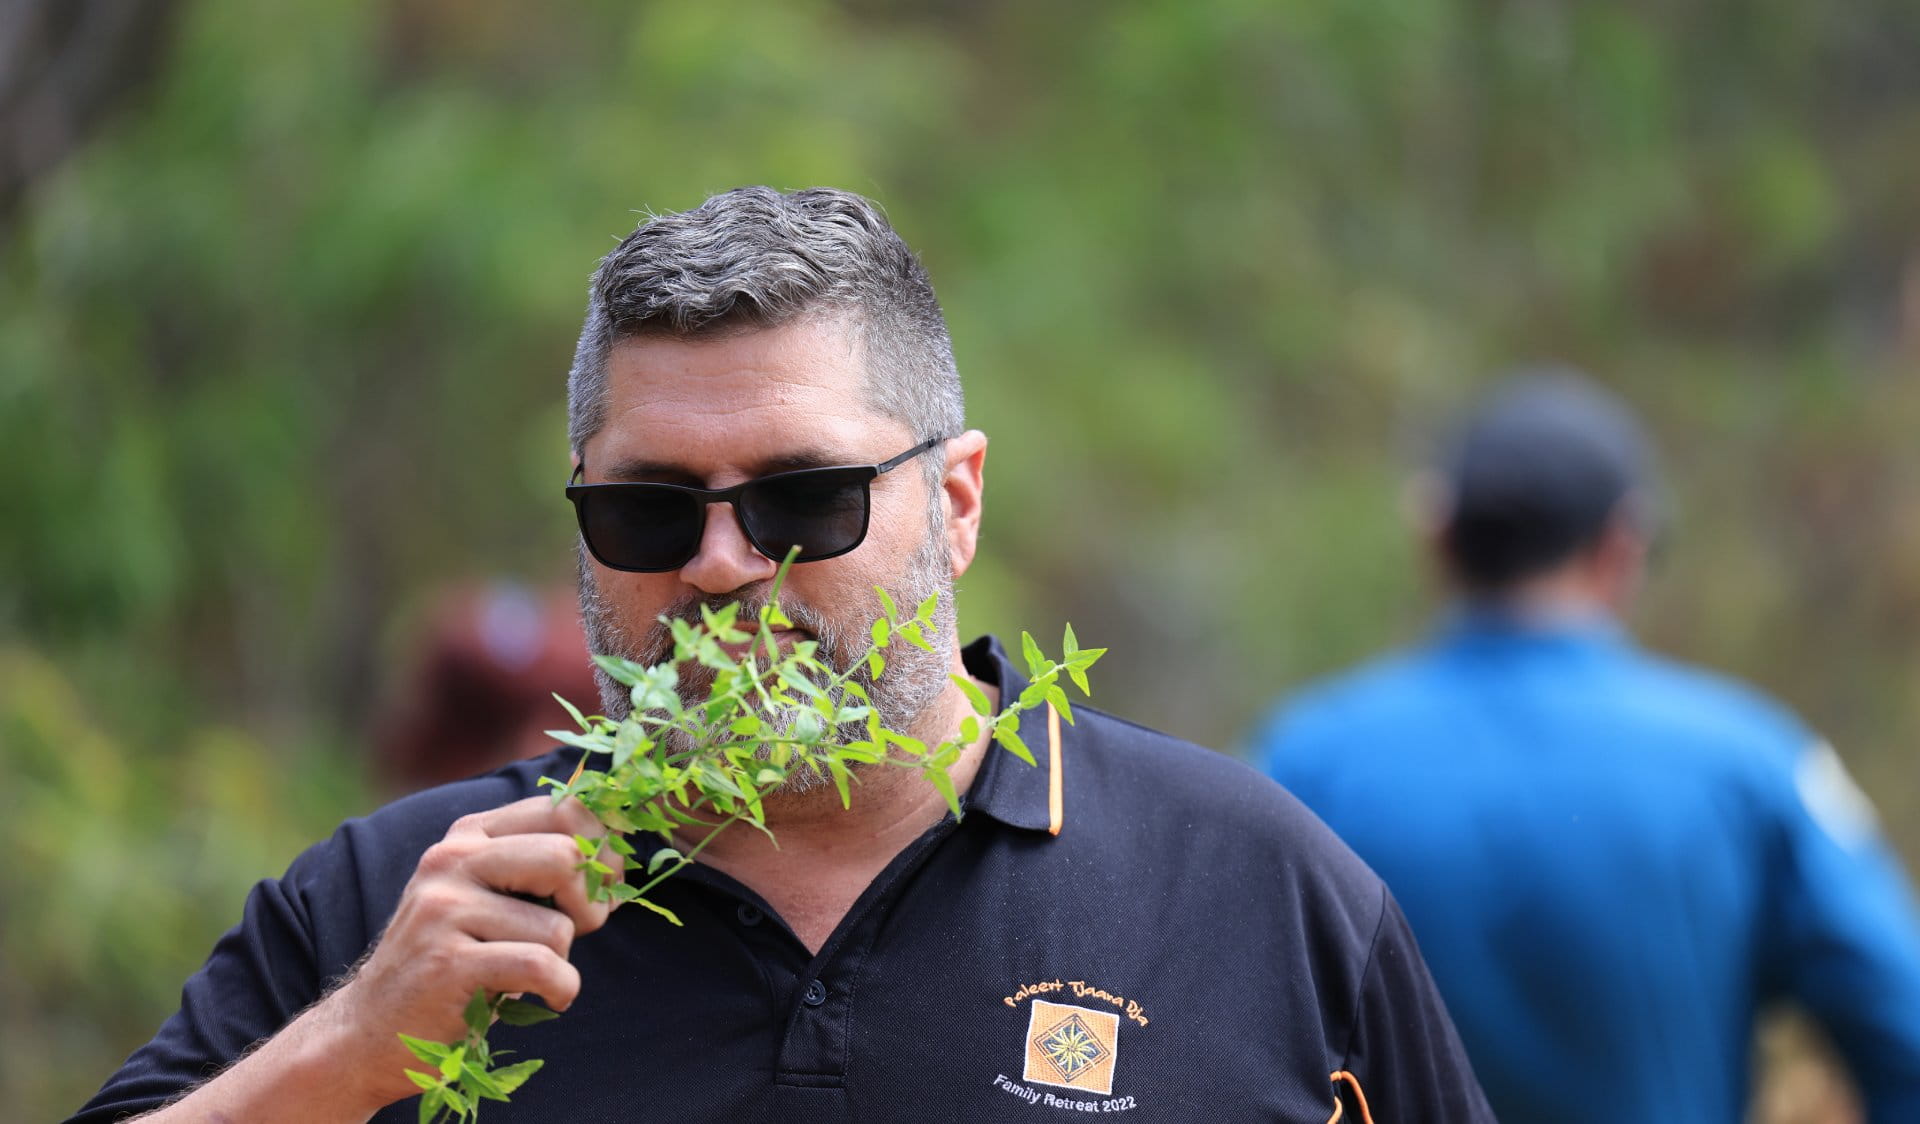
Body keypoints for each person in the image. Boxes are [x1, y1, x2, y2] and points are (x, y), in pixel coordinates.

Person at [74, 187, 1492, 1123]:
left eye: (802, 499)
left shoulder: (1252, 893)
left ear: (955, 501)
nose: (721, 565)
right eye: (648, 507)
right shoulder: (408, 903)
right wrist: (348, 1049)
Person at [1252, 371, 1920, 1123]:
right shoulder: (1748, 764)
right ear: (1622, 546)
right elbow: (1905, 1032)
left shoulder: (1304, 765)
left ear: (1437, 538)